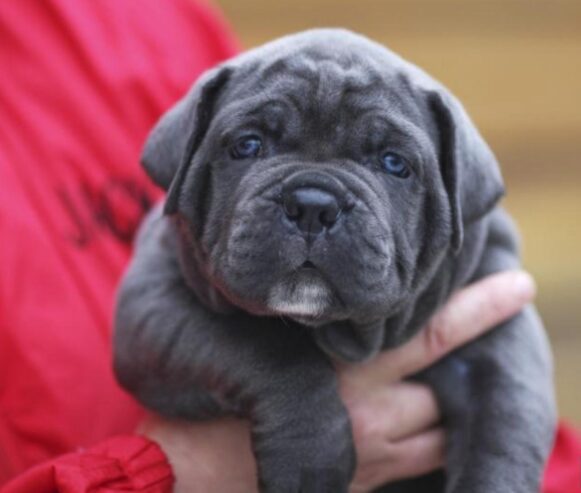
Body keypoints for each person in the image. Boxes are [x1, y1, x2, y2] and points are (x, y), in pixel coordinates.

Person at [0, 1, 579, 492]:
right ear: (186, 168)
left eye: (393, 163)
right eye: (250, 145)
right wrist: (285, 397)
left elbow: (515, 411)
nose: (312, 208)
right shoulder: (177, 243)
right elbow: (145, 329)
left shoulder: (139, 17)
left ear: (455, 191)